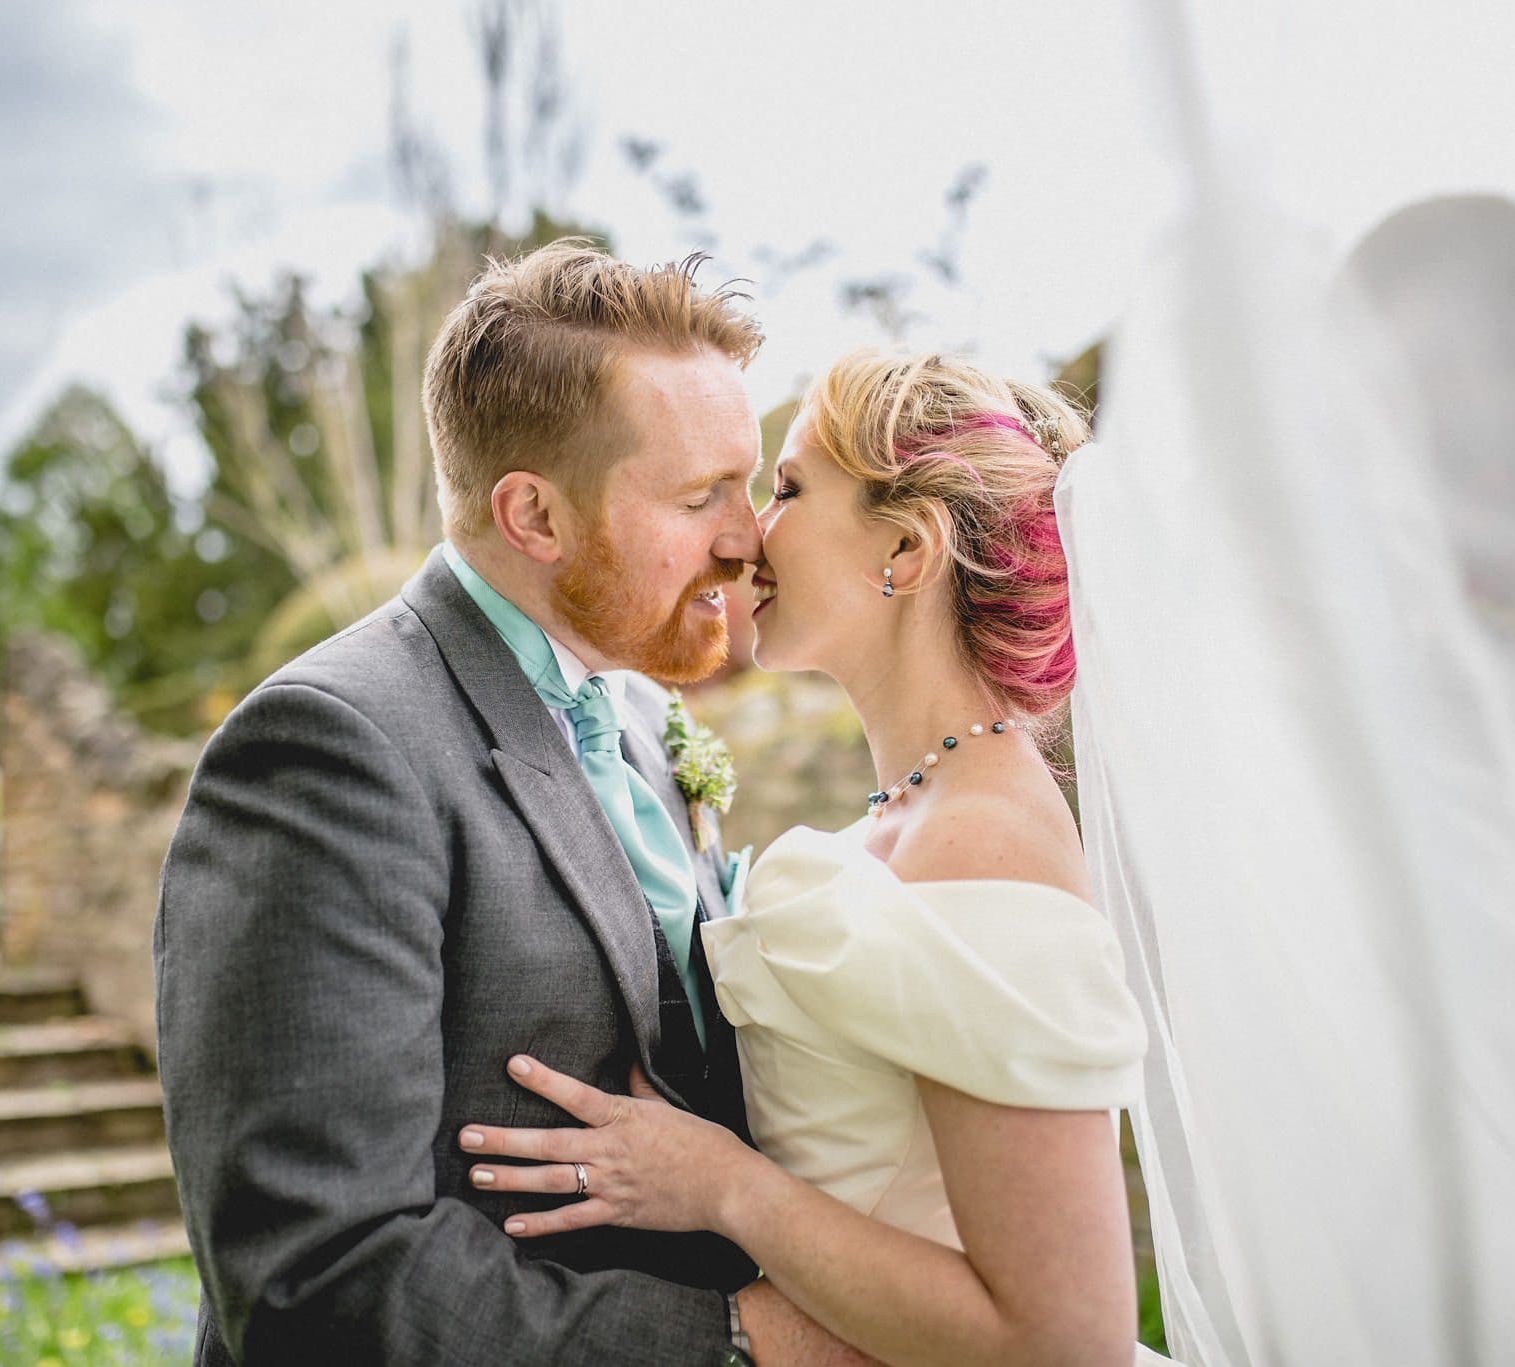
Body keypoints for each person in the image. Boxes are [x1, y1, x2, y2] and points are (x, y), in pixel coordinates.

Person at [154, 241, 873, 1364]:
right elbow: (316, 1282)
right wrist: (737, 1339)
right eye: (698, 496)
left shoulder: (635, 712)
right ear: (532, 516)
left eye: (744, 485)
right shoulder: (328, 749)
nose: (745, 540)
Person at [458, 351, 1161, 1367]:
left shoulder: (981, 838)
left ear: (906, 550)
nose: (745, 534)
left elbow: (1064, 1337)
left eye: (785, 488)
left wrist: (722, 1185)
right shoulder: (923, 812)